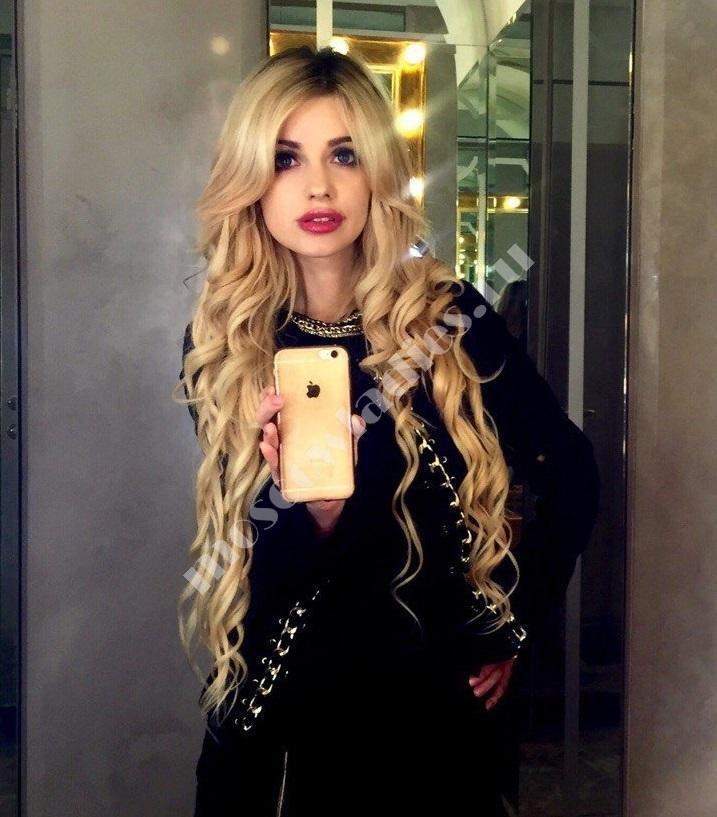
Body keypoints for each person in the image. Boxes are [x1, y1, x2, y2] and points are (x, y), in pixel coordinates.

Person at [174, 45, 600, 817]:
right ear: (251, 178)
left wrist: (511, 620)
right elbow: (256, 565)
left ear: (376, 168)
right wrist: (310, 512)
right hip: (279, 724)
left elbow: (569, 471)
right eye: (285, 158)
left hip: (426, 718)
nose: (318, 185)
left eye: (343, 154)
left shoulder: (446, 320)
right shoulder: (228, 342)